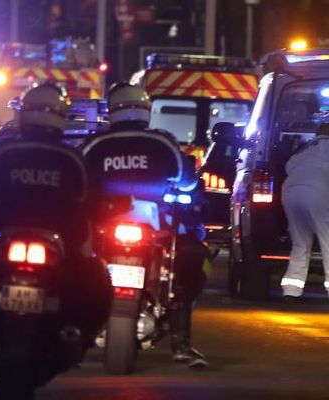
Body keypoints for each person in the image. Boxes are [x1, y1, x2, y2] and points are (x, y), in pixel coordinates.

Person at [0, 82, 112, 365]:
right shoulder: (72, 158)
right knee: (96, 277)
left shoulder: (4, 152)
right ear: (60, 115)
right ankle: (75, 332)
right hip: (58, 244)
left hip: (2, 236)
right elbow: (90, 199)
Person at [84, 82, 210, 368]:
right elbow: (186, 181)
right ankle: (181, 344)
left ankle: (74, 333)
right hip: (152, 223)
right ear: (145, 110)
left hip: (105, 225)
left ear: (112, 110)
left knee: (79, 260)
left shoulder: (95, 144)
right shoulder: (162, 141)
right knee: (190, 259)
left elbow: (77, 180)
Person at [281, 122, 329, 300]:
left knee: (300, 243)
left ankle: (291, 291)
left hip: (291, 193)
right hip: (317, 195)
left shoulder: (305, 150)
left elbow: (288, 167)